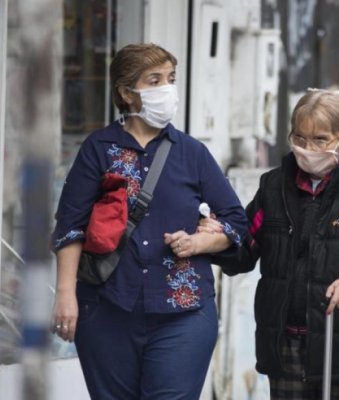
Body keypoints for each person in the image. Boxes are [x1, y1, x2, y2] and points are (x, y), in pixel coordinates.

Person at [51, 43, 247, 399]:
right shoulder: (98, 149)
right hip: (107, 309)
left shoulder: (192, 153)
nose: (167, 89)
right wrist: (65, 295)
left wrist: (200, 241)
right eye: (154, 80)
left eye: (170, 79)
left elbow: (237, 222)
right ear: (128, 92)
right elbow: (70, 226)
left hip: (184, 312)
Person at [199, 88, 339, 400]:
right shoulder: (273, 188)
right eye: (300, 138)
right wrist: (216, 239)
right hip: (287, 351)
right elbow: (244, 251)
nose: (307, 149)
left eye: (320, 139)